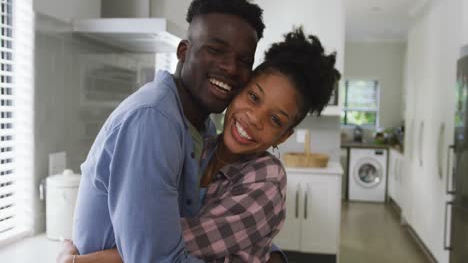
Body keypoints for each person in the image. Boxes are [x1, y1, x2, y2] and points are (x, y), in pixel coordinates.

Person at [58, 28, 341, 262]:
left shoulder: (266, 178)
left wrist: (76, 261)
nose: (254, 119)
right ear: (239, 89)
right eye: (254, 98)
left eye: (275, 120)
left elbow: (159, 242)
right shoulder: (200, 140)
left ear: (283, 137)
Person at [70, 0, 269, 262]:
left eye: (244, 60)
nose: (231, 68)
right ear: (183, 51)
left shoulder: (202, 128)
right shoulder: (153, 120)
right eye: (216, 50)